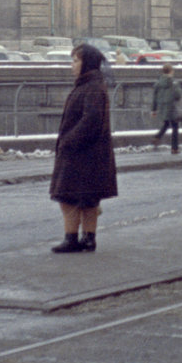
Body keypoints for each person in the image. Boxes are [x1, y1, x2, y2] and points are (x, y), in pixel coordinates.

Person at [49, 43, 117, 253]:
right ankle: (88, 238)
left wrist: (69, 140)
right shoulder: (92, 84)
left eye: (76, 60)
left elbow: (91, 121)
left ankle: (71, 238)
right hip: (91, 153)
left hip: (81, 154)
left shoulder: (91, 87)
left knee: (67, 196)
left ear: (86, 63)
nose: (72, 65)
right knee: (88, 198)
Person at [151, 63, 182, 154]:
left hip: (162, 106)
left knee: (166, 123)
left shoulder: (158, 83)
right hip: (172, 107)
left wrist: (154, 110)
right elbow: (178, 95)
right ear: (171, 71)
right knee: (175, 127)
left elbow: (154, 97)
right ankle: (174, 148)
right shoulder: (173, 82)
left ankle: (157, 136)